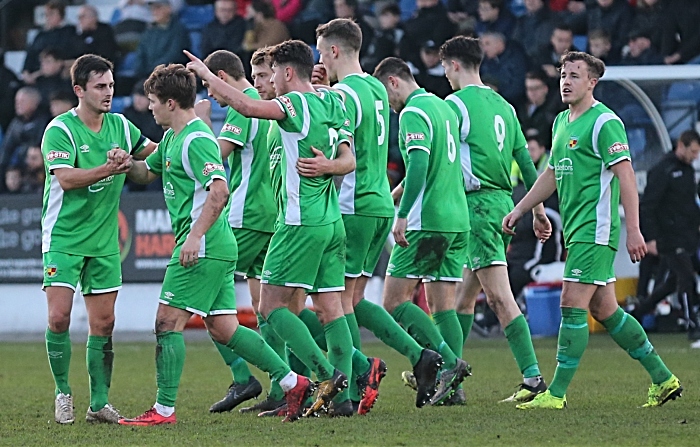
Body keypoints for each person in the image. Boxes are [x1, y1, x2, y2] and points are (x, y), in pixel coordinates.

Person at [116, 63, 314, 426]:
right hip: (217, 245)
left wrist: (194, 237)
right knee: (225, 328)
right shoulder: (175, 139)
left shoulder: (197, 140)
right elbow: (147, 171)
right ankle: (293, 382)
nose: (150, 107)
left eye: (153, 101)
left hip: (203, 245)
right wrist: (125, 162)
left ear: (172, 103)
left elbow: (219, 190)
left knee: (166, 322)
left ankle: (163, 411)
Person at [185, 40, 357, 417]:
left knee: (271, 305)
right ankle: (344, 401)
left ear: (288, 72)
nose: (271, 80)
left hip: (299, 222)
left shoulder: (293, 104)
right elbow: (349, 159)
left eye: (273, 73)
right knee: (331, 310)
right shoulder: (333, 102)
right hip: (332, 223)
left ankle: (326, 376)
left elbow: (247, 105)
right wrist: (330, 167)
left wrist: (208, 76)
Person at [503, 51, 683, 409]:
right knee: (605, 310)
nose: (566, 81)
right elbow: (551, 174)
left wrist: (634, 230)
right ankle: (664, 379)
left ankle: (555, 394)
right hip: (576, 229)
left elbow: (627, 177)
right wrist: (522, 209)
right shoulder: (560, 122)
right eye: (563, 75)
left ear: (592, 82)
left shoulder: (605, 122)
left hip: (596, 229)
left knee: (571, 304)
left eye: (574, 75)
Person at [315, 18, 444, 414]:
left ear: (334, 51)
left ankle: (353, 390)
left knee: (334, 304)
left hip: (353, 206)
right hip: (379, 205)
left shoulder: (344, 96)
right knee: (352, 298)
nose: (320, 57)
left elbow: (341, 153)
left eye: (321, 51)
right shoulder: (373, 87)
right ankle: (420, 356)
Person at [39, 54, 155, 424]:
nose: (109, 93)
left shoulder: (121, 125)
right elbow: (67, 179)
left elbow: (150, 158)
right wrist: (110, 167)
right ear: (79, 90)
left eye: (111, 86)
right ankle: (62, 393)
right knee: (58, 318)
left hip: (105, 241)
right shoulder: (60, 130)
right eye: (100, 87)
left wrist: (182, 142)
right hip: (63, 237)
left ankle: (99, 404)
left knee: (104, 324)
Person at [439, 35, 550, 404]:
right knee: (463, 300)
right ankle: (452, 380)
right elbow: (527, 161)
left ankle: (533, 379)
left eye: (444, 67)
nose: (445, 75)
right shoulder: (505, 106)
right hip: (505, 204)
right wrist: (536, 209)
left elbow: (441, 155)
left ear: (455, 64)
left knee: (500, 298)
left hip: (479, 206)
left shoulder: (454, 104)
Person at [373, 57, 470, 407]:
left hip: (426, 221)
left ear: (394, 81)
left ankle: (446, 361)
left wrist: (401, 215)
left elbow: (418, 164)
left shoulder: (413, 112)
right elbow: (437, 168)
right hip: (457, 220)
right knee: (443, 307)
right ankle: (453, 389)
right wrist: (395, 194)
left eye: (386, 95)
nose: (387, 105)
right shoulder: (444, 107)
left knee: (393, 302)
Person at [636, 130, 700, 346]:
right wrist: (651, 238)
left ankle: (636, 314)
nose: (695, 157)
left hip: (688, 236)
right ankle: (693, 328)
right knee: (686, 279)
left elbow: (689, 204)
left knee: (671, 283)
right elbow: (648, 205)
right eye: (692, 151)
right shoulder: (663, 170)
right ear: (681, 145)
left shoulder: (688, 170)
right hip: (670, 238)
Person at [0, 87, 50, 193]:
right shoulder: (15, 124)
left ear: (34, 102)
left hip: (41, 166)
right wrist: (7, 169)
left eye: (22, 101)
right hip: (19, 167)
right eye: (17, 101)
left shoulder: (45, 120)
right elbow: (7, 149)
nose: (18, 104)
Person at [22, 0, 80, 85]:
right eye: (46, 14)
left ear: (61, 15)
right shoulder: (40, 36)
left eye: (51, 14)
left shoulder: (71, 33)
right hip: (37, 78)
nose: (48, 17)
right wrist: (26, 73)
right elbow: (30, 56)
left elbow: (76, 56)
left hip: (62, 77)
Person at [133, 0, 191, 79]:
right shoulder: (149, 32)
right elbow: (140, 54)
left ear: (169, 9)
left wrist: (153, 70)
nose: (154, 11)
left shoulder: (179, 30)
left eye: (158, 8)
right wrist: (141, 72)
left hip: (171, 76)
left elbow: (174, 56)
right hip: (149, 75)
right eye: (152, 8)